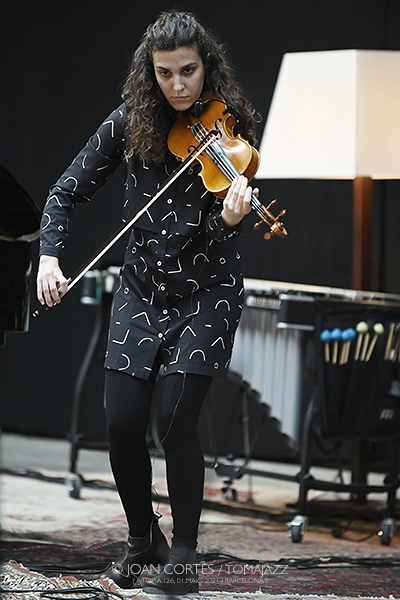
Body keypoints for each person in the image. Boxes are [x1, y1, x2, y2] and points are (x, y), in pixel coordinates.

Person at [36, 9, 259, 595]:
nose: (178, 85)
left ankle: (183, 551)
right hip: (141, 288)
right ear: (150, 72)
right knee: (122, 422)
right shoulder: (130, 122)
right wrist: (50, 257)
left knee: (174, 422)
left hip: (206, 291)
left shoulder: (229, 131)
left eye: (188, 71)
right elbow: (63, 192)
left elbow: (211, 238)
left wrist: (230, 220)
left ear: (207, 66)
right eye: (165, 73)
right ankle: (143, 540)